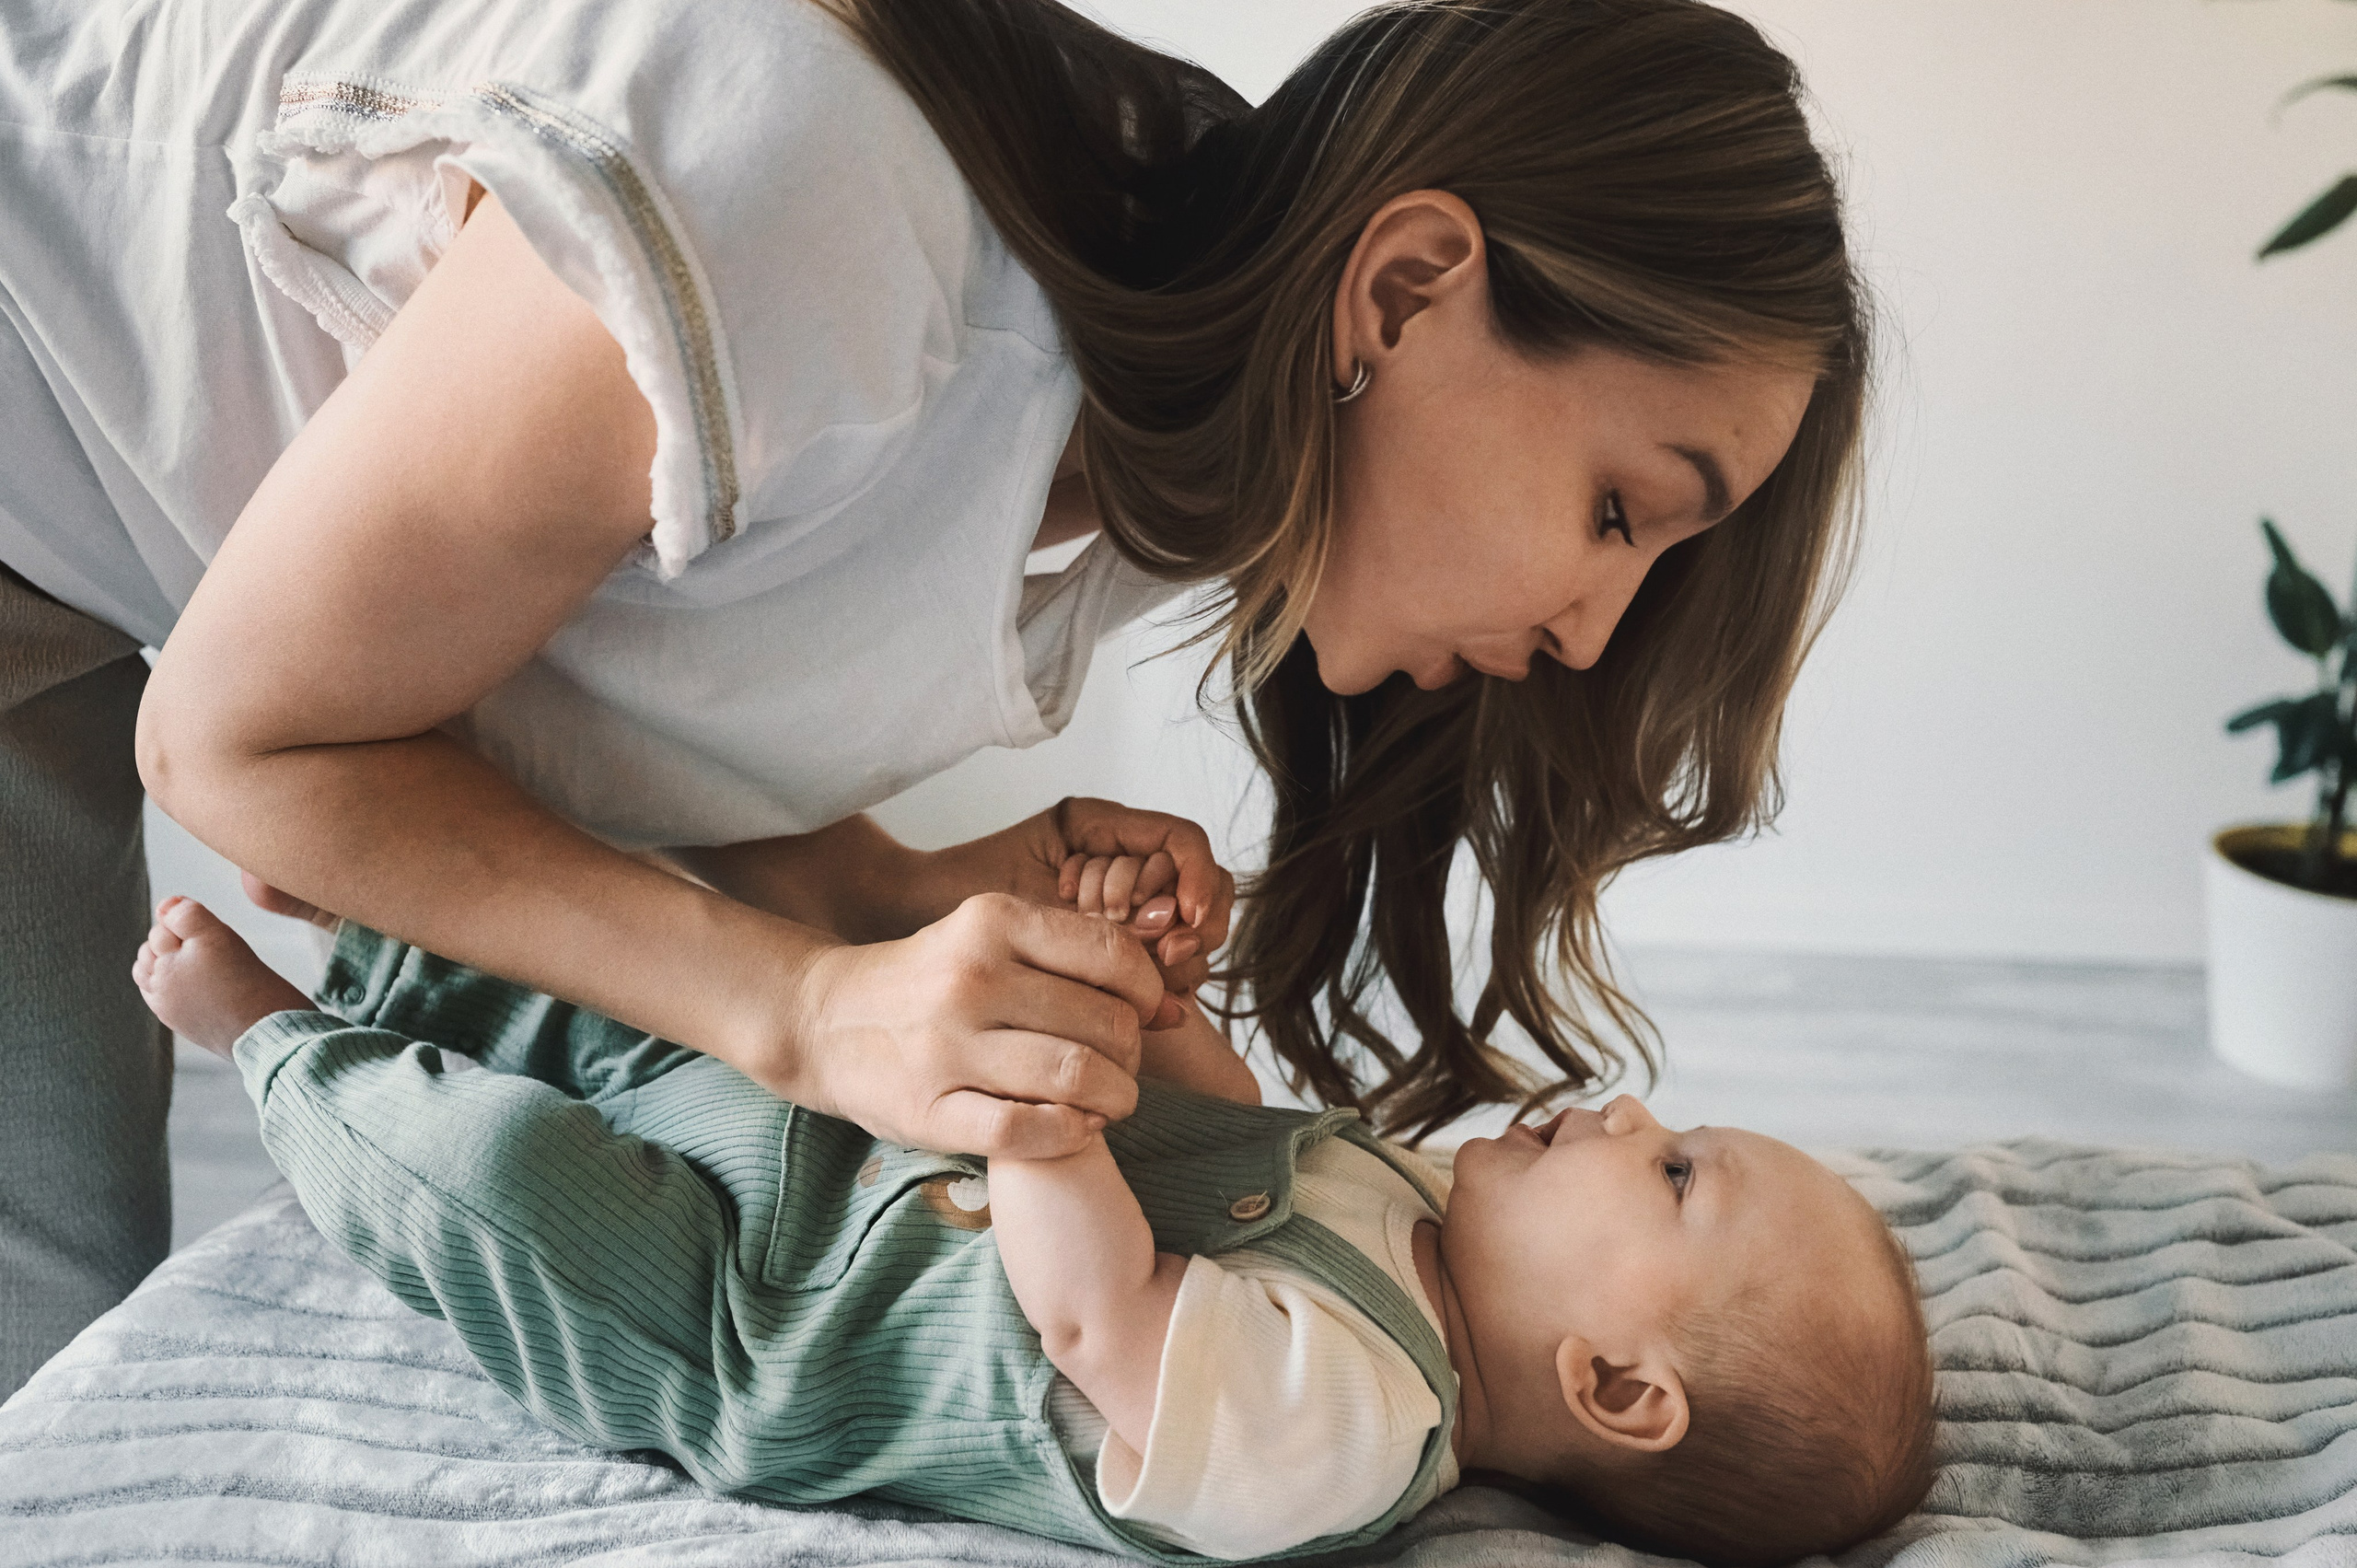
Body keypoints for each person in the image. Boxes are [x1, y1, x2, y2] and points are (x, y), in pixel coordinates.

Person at [2, 0, 1866, 1392]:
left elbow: (564, 652)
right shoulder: (802, 215)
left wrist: (897, 897)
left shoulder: (1145, 446)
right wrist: (805, 1008)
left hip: (98, 534)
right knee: (62, 1342)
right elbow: (245, 745)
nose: (1592, 634)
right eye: (1619, 511)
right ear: (1402, 294)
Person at [134, 881, 1936, 1566]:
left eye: (1675, 1170)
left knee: (512, 1189)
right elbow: (1224, 1141)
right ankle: (402, 930)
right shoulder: (1403, 1211)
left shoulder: (1351, 1430)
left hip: (770, 1334)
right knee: (642, 1015)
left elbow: (1106, 1329)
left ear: (1614, 1384)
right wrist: (1155, 1021)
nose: (1626, 1113)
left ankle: (281, 1046)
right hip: (846, 1178)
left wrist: (1054, 1132)